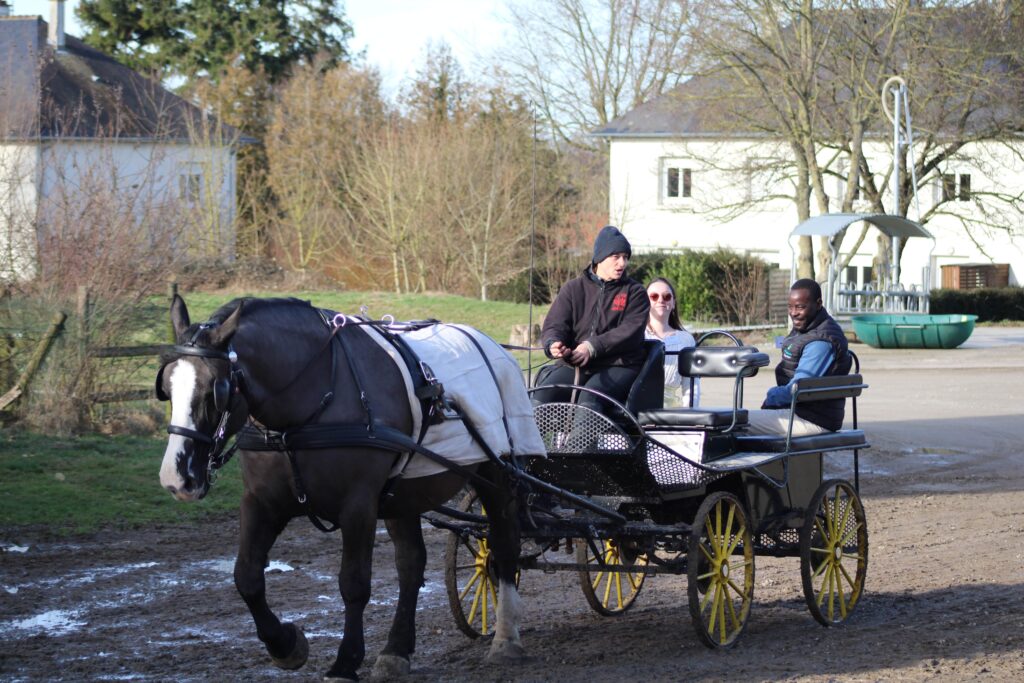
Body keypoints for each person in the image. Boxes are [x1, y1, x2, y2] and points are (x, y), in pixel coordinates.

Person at [533, 225, 649, 414]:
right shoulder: (573, 289)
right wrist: (554, 344)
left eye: (625, 257)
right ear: (599, 258)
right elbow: (555, 324)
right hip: (575, 364)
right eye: (616, 257)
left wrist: (592, 346)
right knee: (541, 396)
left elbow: (630, 331)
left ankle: (579, 445)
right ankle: (532, 444)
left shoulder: (635, 292)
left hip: (618, 365)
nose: (622, 263)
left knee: (589, 399)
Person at [745, 278, 852, 436]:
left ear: (818, 304)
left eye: (800, 307)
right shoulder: (809, 327)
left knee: (732, 422)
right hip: (802, 412)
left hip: (812, 420)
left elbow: (797, 389)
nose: (794, 313)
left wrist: (771, 396)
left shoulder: (820, 342)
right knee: (732, 418)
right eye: (790, 307)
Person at [645, 277, 700, 407]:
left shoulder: (686, 339)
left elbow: (691, 386)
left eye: (667, 296)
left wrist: (690, 417)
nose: (660, 300)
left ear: (673, 303)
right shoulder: (636, 335)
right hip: (638, 410)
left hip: (672, 413)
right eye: (654, 296)